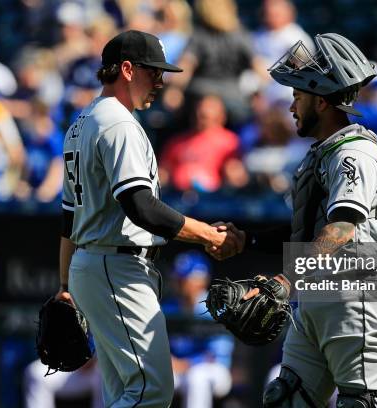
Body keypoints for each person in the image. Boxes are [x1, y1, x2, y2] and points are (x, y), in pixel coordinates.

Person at [55, 30, 242, 408]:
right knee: (151, 390)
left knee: (123, 392)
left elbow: (67, 218)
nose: (161, 81)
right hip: (117, 267)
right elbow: (141, 206)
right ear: (126, 69)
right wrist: (208, 234)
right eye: (153, 71)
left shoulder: (83, 121)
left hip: (94, 264)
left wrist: (64, 283)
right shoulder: (119, 124)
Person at [215, 33, 377, 407]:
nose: (291, 107)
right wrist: (248, 240)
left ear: (320, 100)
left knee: (363, 402)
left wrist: (285, 279)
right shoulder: (323, 153)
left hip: (355, 294)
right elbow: (308, 231)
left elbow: (343, 227)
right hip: (318, 295)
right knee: (285, 398)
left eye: (297, 96)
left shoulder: (354, 153)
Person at [162, 250, 234, 408]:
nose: (179, 282)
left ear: (201, 280)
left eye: (184, 278)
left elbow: (215, 355)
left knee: (197, 377)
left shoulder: (216, 307)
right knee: (155, 378)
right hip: (178, 369)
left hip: (214, 370)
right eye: (178, 277)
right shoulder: (167, 308)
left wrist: (185, 363)